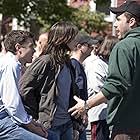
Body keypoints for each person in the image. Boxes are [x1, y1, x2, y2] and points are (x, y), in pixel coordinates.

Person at [68, 1, 140, 139]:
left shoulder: (124, 46)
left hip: (126, 126)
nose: (114, 24)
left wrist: (86, 105)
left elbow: (116, 85)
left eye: (118, 19)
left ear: (131, 22)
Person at [19, 21, 79, 140]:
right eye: (73, 37)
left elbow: (71, 94)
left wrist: (75, 124)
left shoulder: (67, 63)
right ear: (63, 38)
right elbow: (24, 88)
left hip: (67, 124)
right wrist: (36, 115)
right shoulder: (45, 61)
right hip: (49, 126)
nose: (77, 41)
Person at [0, 30, 48, 140]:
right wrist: (32, 126)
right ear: (18, 48)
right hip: (3, 121)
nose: (34, 50)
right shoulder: (10, 65)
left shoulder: (11, 63)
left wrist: (30, 121)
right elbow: (12, 104)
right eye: (31, 46)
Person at [83, 36, 118, 140]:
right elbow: (98, 86)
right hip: (98, 112)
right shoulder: (97, 64)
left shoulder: (107, 63)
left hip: (107, 112)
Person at [70, 33, 98, 140]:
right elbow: (76, 93)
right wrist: (81, 117)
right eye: (89, 46)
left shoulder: (77, 65)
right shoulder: (74, 65)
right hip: (76, 118)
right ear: (79, 47)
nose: (92, 48)